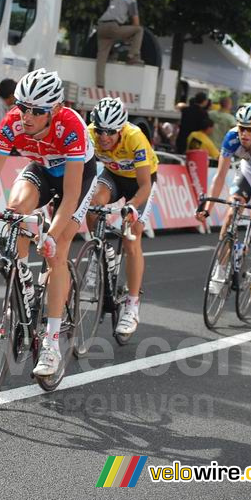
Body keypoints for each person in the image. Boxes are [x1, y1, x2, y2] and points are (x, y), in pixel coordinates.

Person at [0, 68, 96, 377]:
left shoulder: (70, 127)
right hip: (40, 170)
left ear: (54, 109)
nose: (26, 115)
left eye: (36, 111)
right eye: (21, 106)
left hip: (76, 178)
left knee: (57, 250)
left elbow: (69, 197)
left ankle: (52, 343)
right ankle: (23, 280)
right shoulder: (13, 121)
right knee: (15, 210)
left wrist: (51, 234)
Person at [86, 97, 157, 335]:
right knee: (93, 205)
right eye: (100, 131)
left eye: (110, 132)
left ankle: (132, 306)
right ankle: (100, 250)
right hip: (113, 175)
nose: (104, 136)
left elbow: (145, 185)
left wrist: (133, 206)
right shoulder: (90, 134)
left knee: (132, 237)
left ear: (121, 129)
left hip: (139, 183)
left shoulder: (135, 137)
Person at [196, 105, 251, 289]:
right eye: (241, 127)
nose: (244, 133)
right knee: (231, 214)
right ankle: (219, 271)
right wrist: (208, 209)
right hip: (248, 170)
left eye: (250, 129)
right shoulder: (231, 138)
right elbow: (220, 176)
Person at [95, 0, 143, 88]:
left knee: (102, 56)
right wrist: (130, 38)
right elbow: (136, 23)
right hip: (113, 27)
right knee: (139, 30)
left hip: (101, 27)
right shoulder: (132, 1)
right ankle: (132, 56)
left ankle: (100, 83)